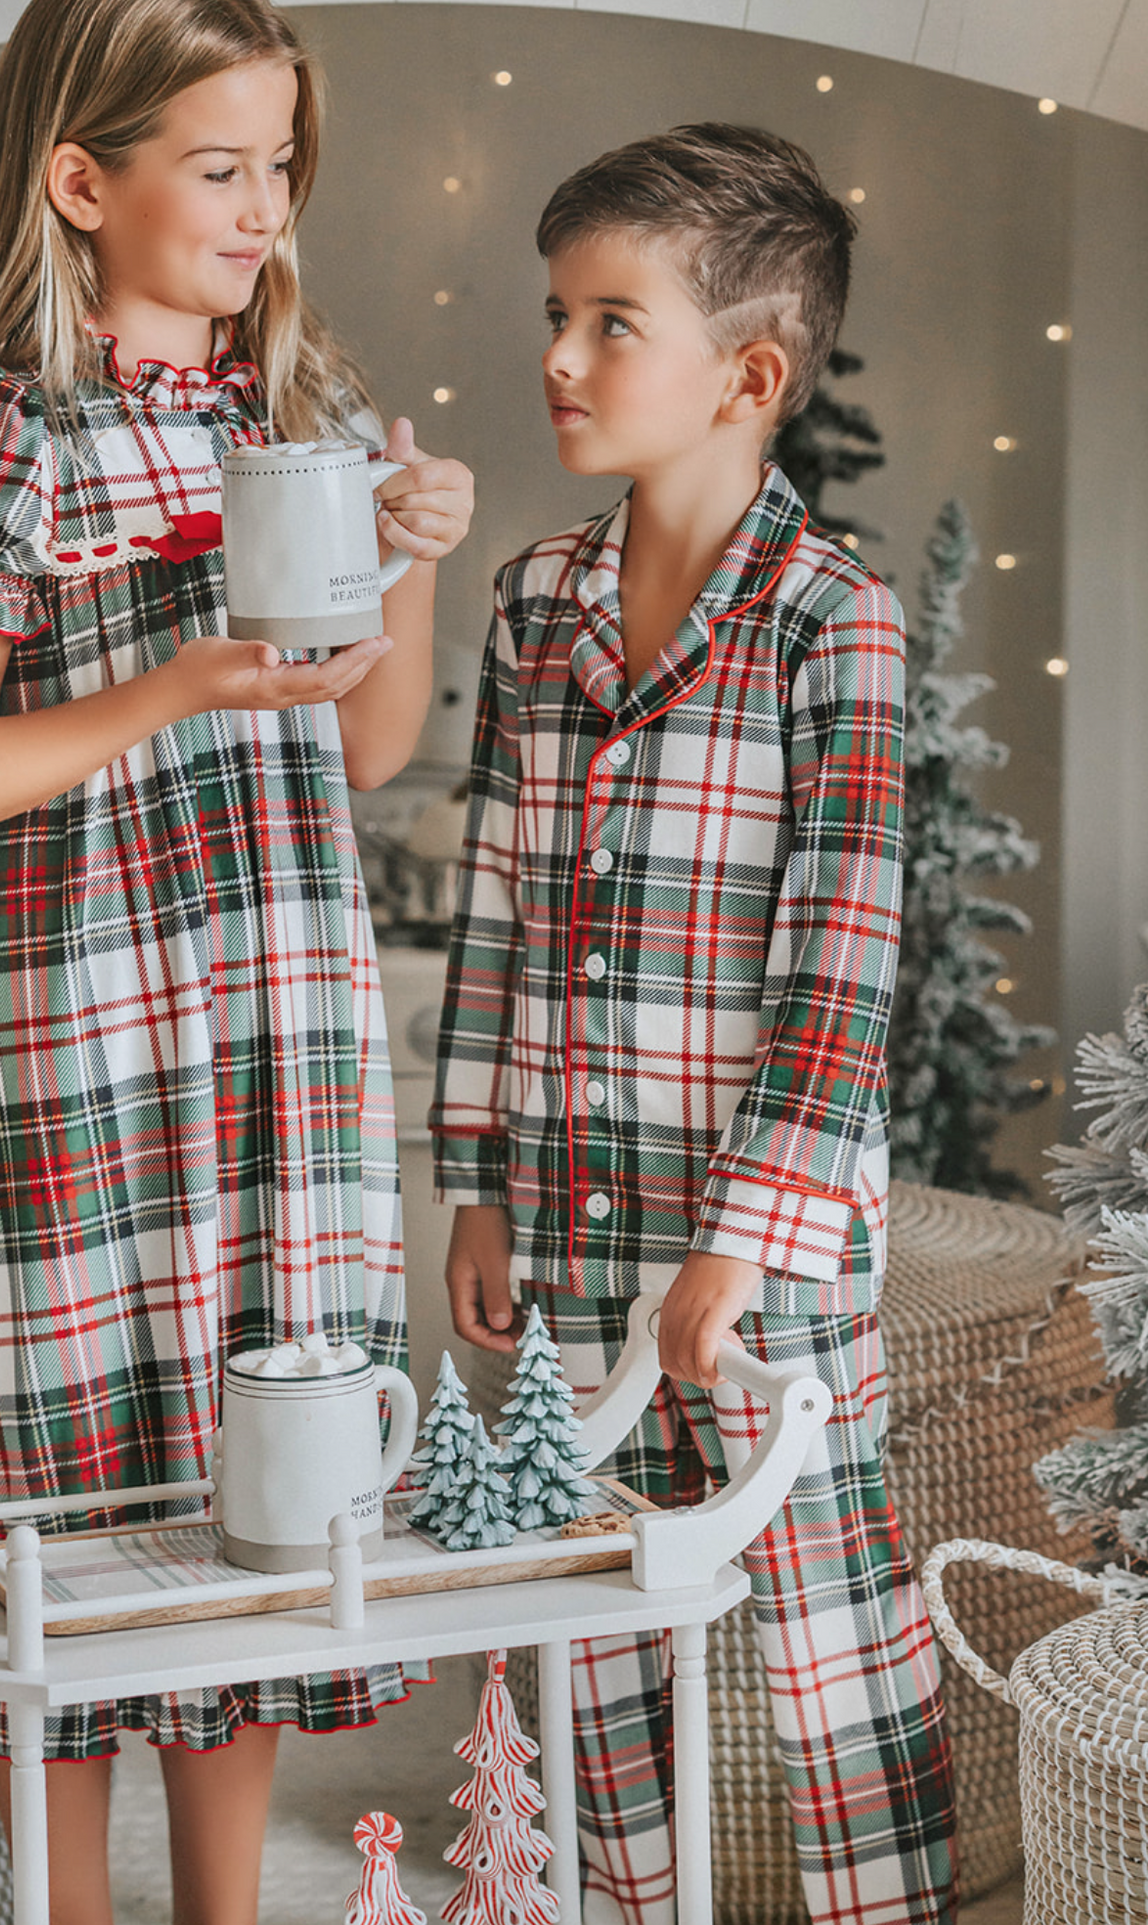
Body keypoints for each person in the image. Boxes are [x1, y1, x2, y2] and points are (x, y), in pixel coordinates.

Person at [0, 0, 473, 1925]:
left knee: (266, 1487)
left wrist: (412, 562)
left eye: (280, 163)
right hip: (74, 1046)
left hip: (283, 1037)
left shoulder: (303, 410)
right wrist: (169, 686)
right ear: (80, 179)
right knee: (63, 1507)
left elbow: (364, 742)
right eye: (219, 165)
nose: (264, 205)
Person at [432, 125, 956, 1924]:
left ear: (749, 376)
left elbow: (839, 965)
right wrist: (477, 1181)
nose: (561, 357)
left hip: (767, 1253)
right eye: (554, 315)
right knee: (596, 1626)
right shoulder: (533, 603)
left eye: (610, 321)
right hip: (574, 1218)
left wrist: (741, 1241)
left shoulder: (835, 624)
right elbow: (496, 909)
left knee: (828, 1635)